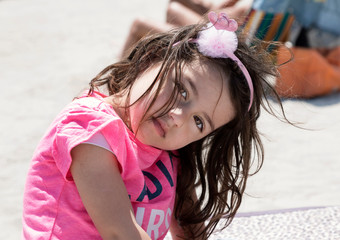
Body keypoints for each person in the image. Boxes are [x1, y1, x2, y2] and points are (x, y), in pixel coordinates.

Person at [23, 12, 288, 240]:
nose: (178, 117)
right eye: (182, 91)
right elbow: (119, 233)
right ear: (153, 58)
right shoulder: (90, 128)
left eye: (199, 121)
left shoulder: (169, 154)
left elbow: (190, 227)